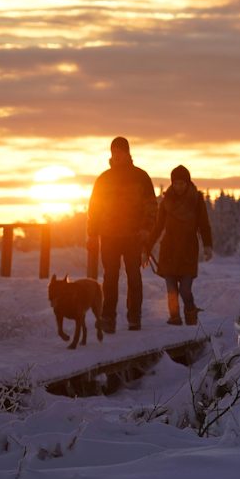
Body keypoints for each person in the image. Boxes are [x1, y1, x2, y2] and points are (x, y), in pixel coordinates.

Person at [87, 135, 156, 333]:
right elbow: (94, 208)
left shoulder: (141, 177)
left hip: (133, 236)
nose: (116, 155)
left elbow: (151, 207)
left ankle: (134, 317)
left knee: (134, 277)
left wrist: (145, 230)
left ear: (127, 153)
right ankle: (108, 318)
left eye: (120, 151)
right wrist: (92, 234)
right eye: (114, 152)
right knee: (110, 278)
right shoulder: (103, 179)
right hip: (108, 236)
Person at [149, 164, 214, 326]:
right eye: (176, 183)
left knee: (185, 290)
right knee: (171, 290)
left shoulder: (196, 199)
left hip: (188, 249)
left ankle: (191, 313)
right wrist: (147, 247)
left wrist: (207, 246)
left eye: (182, 183)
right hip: (169, 250)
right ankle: (174, 318)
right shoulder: (166, 201)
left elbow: (204, 224)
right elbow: (158, 227)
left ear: (187, 183)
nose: (178, 187)